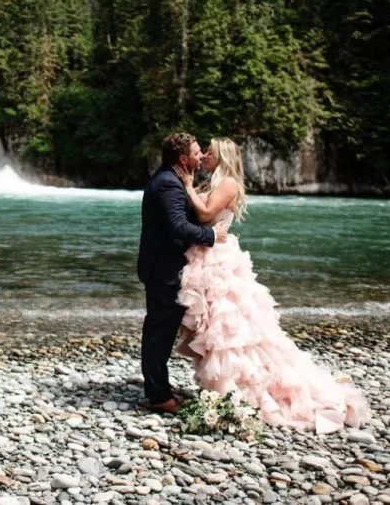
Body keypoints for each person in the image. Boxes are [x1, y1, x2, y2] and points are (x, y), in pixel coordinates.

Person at [176, 137, 370, 433]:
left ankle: (240, 390)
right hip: (205, 254)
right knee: (214, 326)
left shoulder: (227, 182)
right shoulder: (214, 182)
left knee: (228, 327)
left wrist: (188, 185)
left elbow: (204, 214)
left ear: (223, 156)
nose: (203, 157)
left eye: (210, 152)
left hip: (217, 259)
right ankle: (228, 388)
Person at [137, 133, 227, 414]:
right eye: (197, 152)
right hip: (164, 270)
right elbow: (178, 227)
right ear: (183, 159)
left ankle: (158, 386)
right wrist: (211, 235)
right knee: (159, 333)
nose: (201, 156)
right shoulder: (168, 184)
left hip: (164, 266)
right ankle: (159, 397)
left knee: (161, 330)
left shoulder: (170, 179)